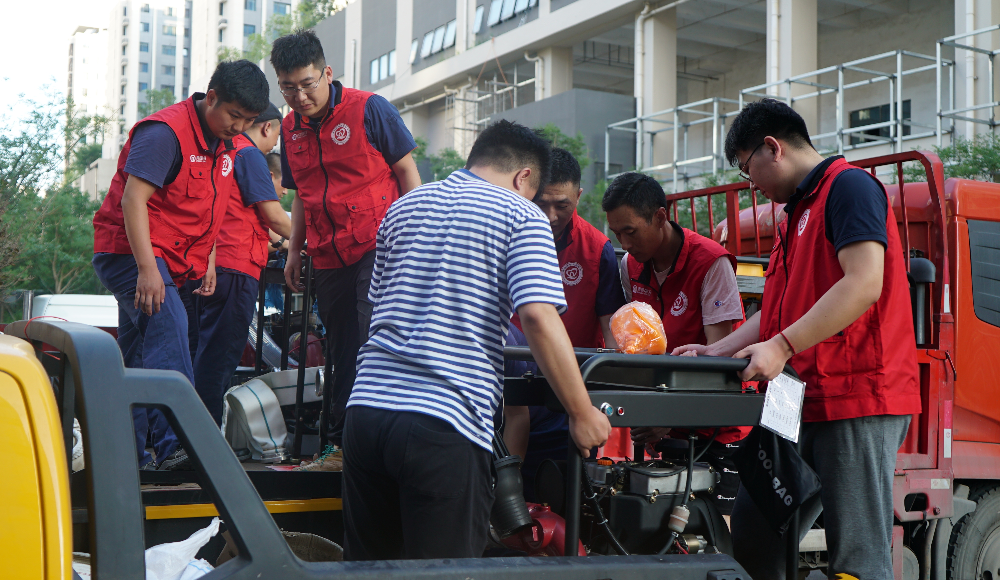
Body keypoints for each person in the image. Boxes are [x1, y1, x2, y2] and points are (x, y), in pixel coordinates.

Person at [341, 120, 612, 560]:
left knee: (368, 569)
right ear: (524, 176)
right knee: (445, 572)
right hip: (442, 420)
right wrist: (581, 412)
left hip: (365, 414)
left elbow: (374, 307)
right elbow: (539, 318)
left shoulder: (406, 205)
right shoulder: (520, 214)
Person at [673, 98, 920, 579]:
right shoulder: (793, 215)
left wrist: (783, 345)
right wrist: (717, 349)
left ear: (773, 147)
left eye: (748, 171)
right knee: (754, 528)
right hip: (796, 396)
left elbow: (864, 281)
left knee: (856, 551)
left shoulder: (849, 188)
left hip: (856, 395)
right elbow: (778, 308)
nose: (752, 186)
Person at [92, 60, 271, 470]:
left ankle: (128, 456)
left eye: (247, 120)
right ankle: (180, 444)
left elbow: (209, 206)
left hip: (176, 260)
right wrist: (147, 270)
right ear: (212, 98)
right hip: (129, 250)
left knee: (136, 357)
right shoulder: (165, 133)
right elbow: (132, 201)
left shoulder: (228, 147)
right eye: (233, 115)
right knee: (170, 325)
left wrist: (207, 258)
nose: (238, 127)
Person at [270, 29, 422, 450]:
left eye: (307, 84)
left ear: (327, 73)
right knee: (339, 347)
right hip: (327, 255)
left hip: (380, 246)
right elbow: (301, 193)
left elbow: (408, 173)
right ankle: (342, 444)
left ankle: (367, 442)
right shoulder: (289, 128)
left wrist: (416, 238)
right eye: (287, 87)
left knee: (369, 336)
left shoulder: (370, 109)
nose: (299, 96)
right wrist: (294, 251)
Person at [601, 172, 747, 519]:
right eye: (616, 234)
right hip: (665, 424)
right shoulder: (629, 265)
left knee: (715, 530)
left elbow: (719, 361)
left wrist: (666, 416)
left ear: (660, 217)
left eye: (630, 232)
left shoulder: (711, 263)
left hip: (717, 427)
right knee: (659, 522)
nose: (624, 242)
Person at [503, 148, 626, 501]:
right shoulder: (506, 234)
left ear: (579, 196)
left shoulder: (597, 249)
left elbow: (610, 333)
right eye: (542, 203)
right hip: (506, 397)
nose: (551, 216)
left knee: (561, 505)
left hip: (566, 408)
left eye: (563, 205)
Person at [187, 103, 292, 425]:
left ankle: (180, 439)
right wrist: (317, 243)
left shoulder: (226, 152)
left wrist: (281, 242)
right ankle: (201, 442)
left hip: (210, 263)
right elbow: (274, 216)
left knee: (199, 354)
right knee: (219, 360)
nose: (274, 145)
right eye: (276, 137)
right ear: (267, 127)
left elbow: (245, 215)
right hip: (235, 265)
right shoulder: (250, 155)